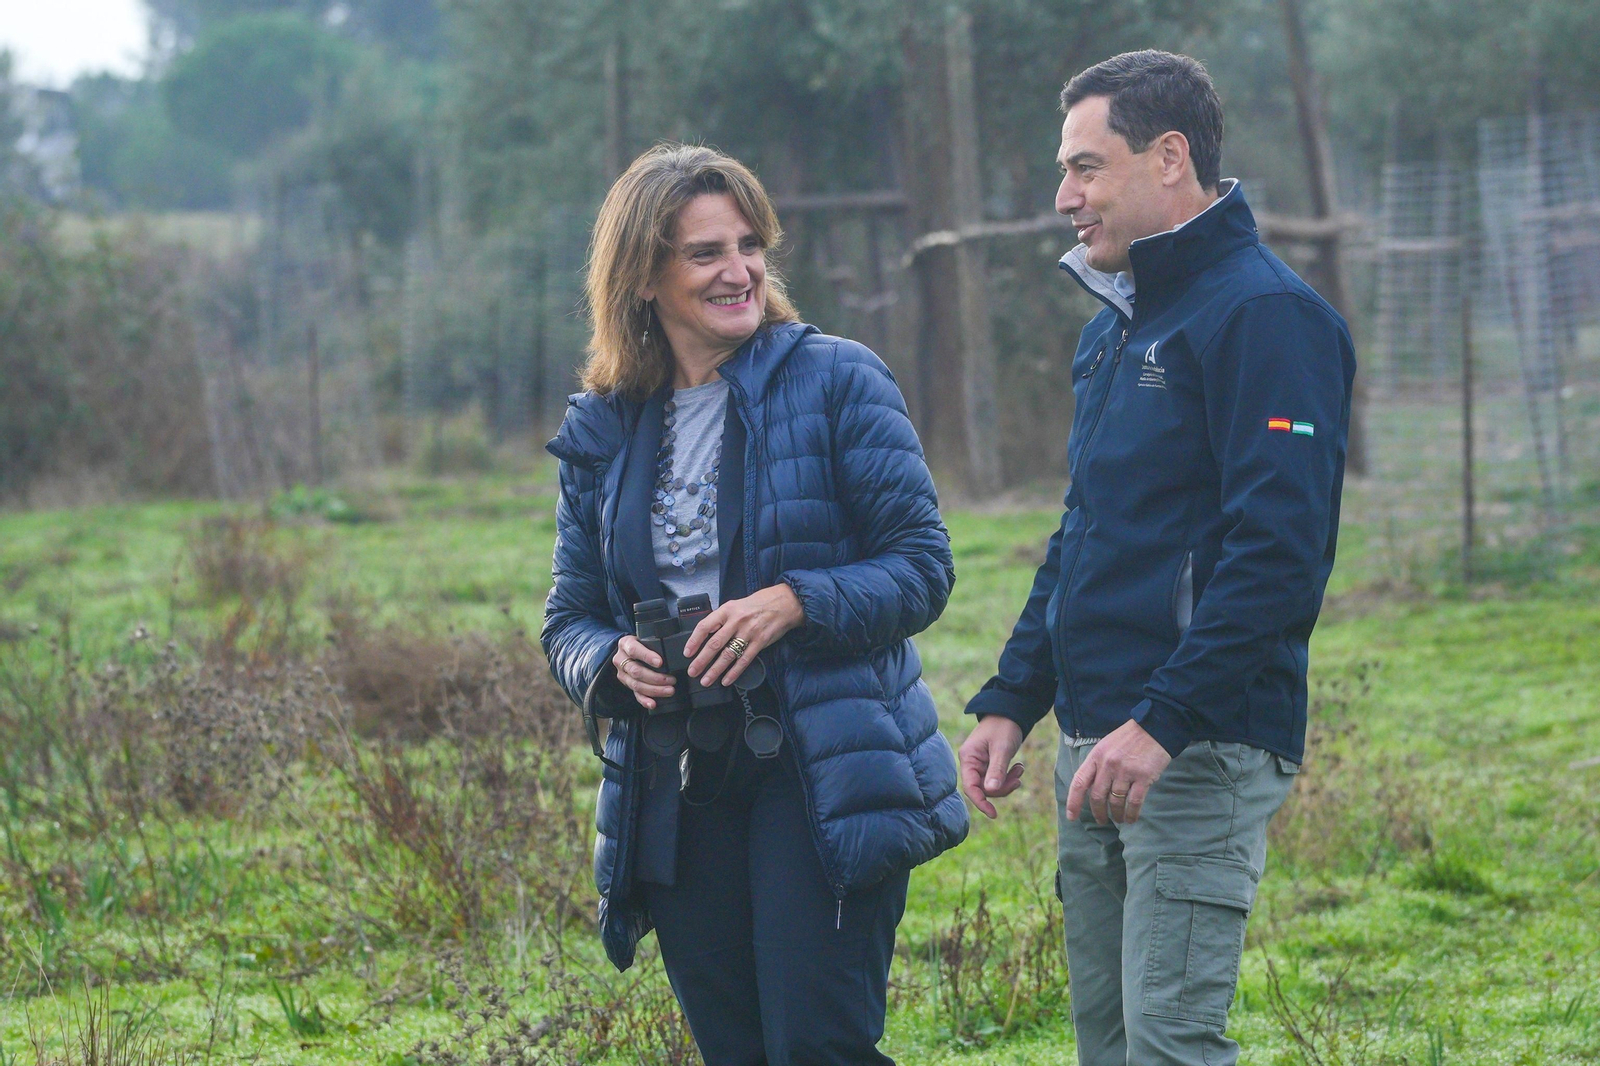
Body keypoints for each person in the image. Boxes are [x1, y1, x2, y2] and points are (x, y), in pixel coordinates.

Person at [958, 51, 1355, 1066]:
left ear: (1170, 157)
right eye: (1065, 171)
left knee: (1169, 1049)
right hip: (1097, 740)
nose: (1064, 197)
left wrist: (1164, 722)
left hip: (1194, 744)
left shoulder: (1266, 318)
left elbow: (1279, 554)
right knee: (1109, 1047)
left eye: (1085, 167)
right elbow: (1085, 529)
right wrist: (1013, 697)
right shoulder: (1117, 329)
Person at [541, 142, 968, 1066]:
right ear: (643, 276)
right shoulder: (605, 424)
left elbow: (922, 567)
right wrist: (605, 659)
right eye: (705, 253)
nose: (738, 271)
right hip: (674, 775)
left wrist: (794, 602)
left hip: (817, 767)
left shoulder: (838, 379)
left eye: (750, 246)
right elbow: (567, 617)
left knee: (818, 1046)